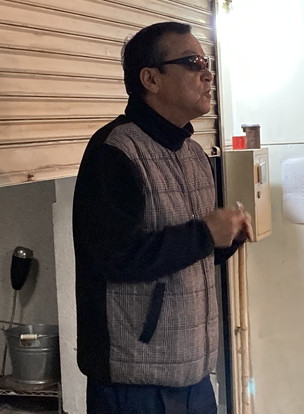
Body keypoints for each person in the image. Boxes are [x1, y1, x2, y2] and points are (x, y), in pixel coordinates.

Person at [72, 21, 252, 414]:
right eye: (192, 63)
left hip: (194, 376)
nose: (207, 74)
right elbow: (114, 258)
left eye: (207, 63)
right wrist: (205, 234)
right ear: (151, 79)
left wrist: (226, 238)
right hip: (134, 384)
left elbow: (185, 255)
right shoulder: (115, 151)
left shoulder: (194, 154)